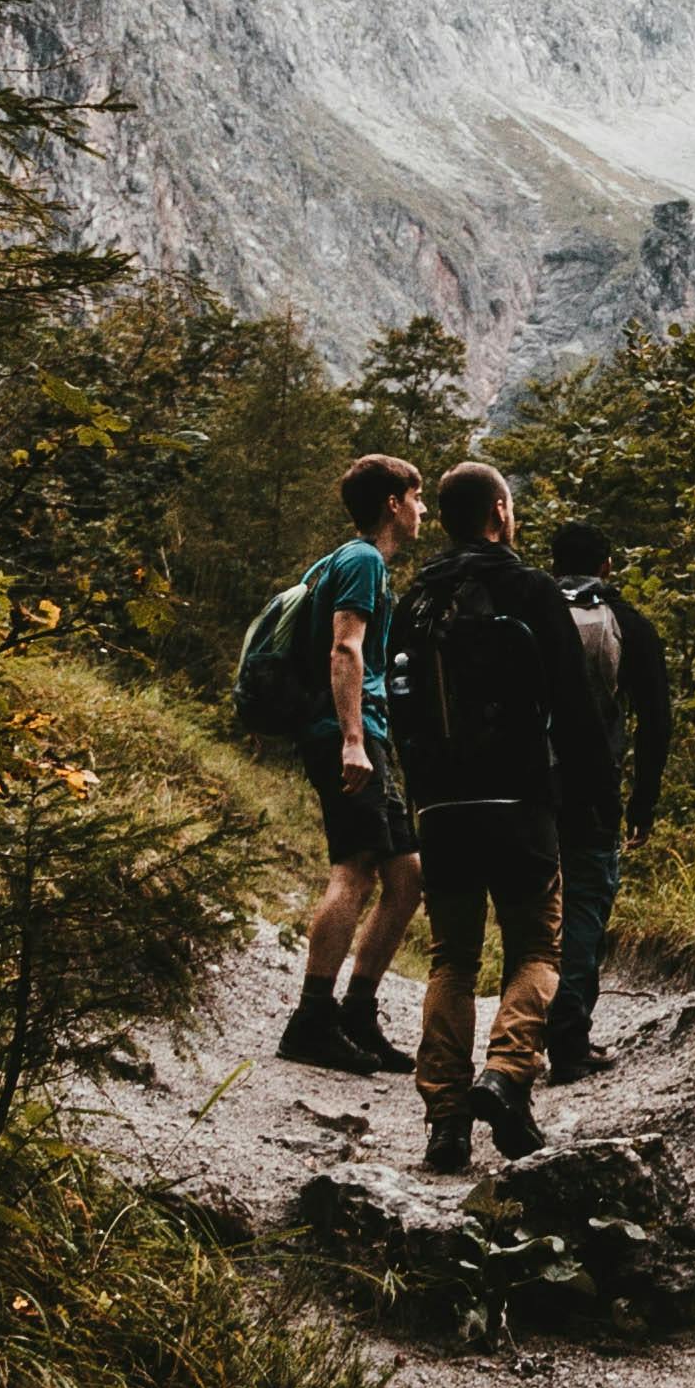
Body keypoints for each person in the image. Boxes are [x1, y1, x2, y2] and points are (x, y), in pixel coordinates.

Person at [389, 456, 616, 1174]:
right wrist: (593, 797)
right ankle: (508, 1075)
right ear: (498, 514)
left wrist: (421, 790)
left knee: (452, 959)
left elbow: (397, 704)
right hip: (522, 802)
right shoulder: (529, 588)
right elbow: (575, 708)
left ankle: (446, 1123)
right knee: (536, 952)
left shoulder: (417, 597)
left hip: (442, 806)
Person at [272, 456, 428, 1075]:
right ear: (392, 502)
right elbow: (346, 647)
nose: (423, 511)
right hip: (348, 733)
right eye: (417, 498)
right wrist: (353, 740)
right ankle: (311, 1019)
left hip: (366, 732)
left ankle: (356, 1014)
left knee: (408, 875)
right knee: (356, 867)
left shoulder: (350, 561)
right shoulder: (362, 560)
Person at [541, 523, 680, 1078]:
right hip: (592, 791)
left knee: (531, 911)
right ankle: (569, 1041)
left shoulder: (532, 612)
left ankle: (516, 1035)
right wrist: (644, 802)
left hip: (523, 786)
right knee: (584, 908)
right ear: (607, 565)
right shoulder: (629, 623)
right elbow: (657, 724)